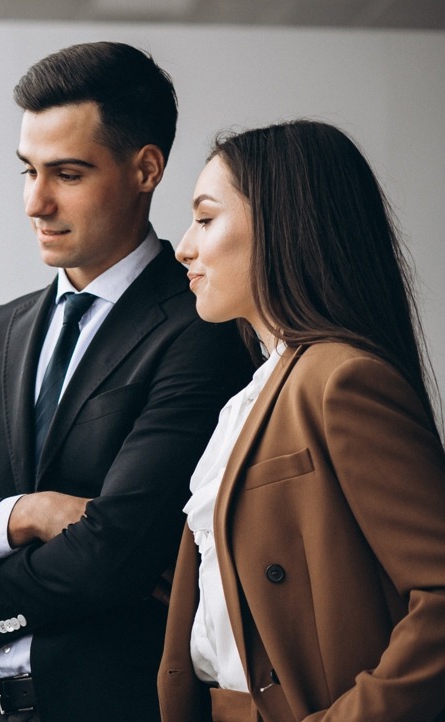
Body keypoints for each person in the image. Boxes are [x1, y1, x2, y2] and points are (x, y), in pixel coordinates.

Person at [0, 42, 254, 721]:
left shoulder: (202, 328)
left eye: (66, 174)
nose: (35, 202)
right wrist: (27, 513)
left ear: (145, 168)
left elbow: (114, 554)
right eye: (27, 171)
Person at [158, 120, 445, 722]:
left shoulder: (341, 380)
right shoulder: (250, 396)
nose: (183, 245)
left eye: (206, 219)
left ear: (281, 227)